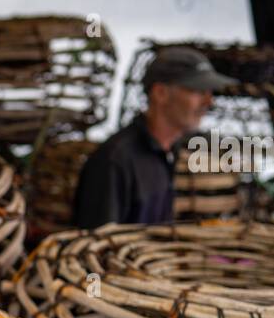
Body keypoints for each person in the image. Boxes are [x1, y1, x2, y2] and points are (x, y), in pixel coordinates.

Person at [73, 46, 236, 229]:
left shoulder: (168, 150)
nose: (208, 102)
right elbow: (97, 244)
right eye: (197, 91)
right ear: (160, 93)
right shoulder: (115, 160)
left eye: (210, 93)